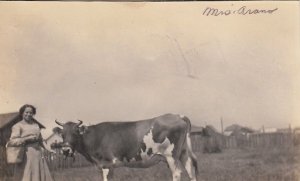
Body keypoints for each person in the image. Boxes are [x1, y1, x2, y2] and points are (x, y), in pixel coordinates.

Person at [8, 104, 54, 181]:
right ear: (22, 113)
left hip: (38, 155)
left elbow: (41, 140)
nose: (29, 114)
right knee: (27, 175)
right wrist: (27, 139)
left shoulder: (36, 125)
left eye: (31, 113)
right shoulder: (17, 126)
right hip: (25, 155)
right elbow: (12, 141)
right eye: (26, 112)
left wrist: (48, 149)